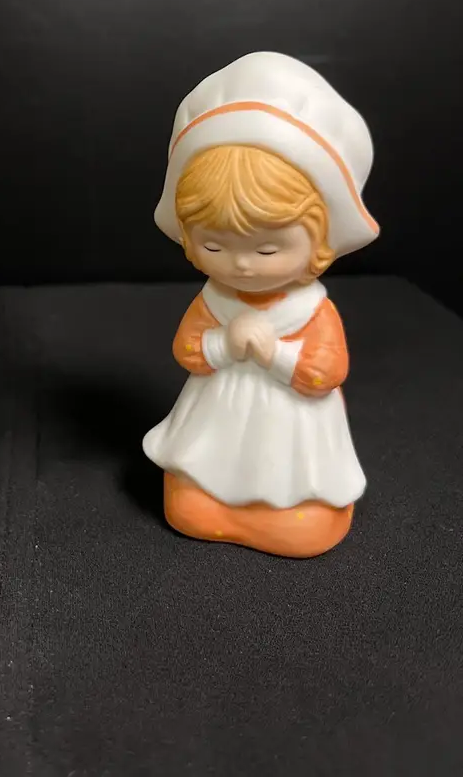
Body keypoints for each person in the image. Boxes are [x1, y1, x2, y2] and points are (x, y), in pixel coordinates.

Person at [143, 52, 379, 557]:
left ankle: (292, 511)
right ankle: (213, 501)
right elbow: (188, 350)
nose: (241, 265)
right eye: (213, 246)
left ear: (320, 242)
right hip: (218, 419)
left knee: (303, 525)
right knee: (188, 506)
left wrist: (273, 353)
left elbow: (327, 371)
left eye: (267, 250)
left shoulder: (311, 310)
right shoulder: (215, 300)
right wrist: (225, 345)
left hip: (290, 432)